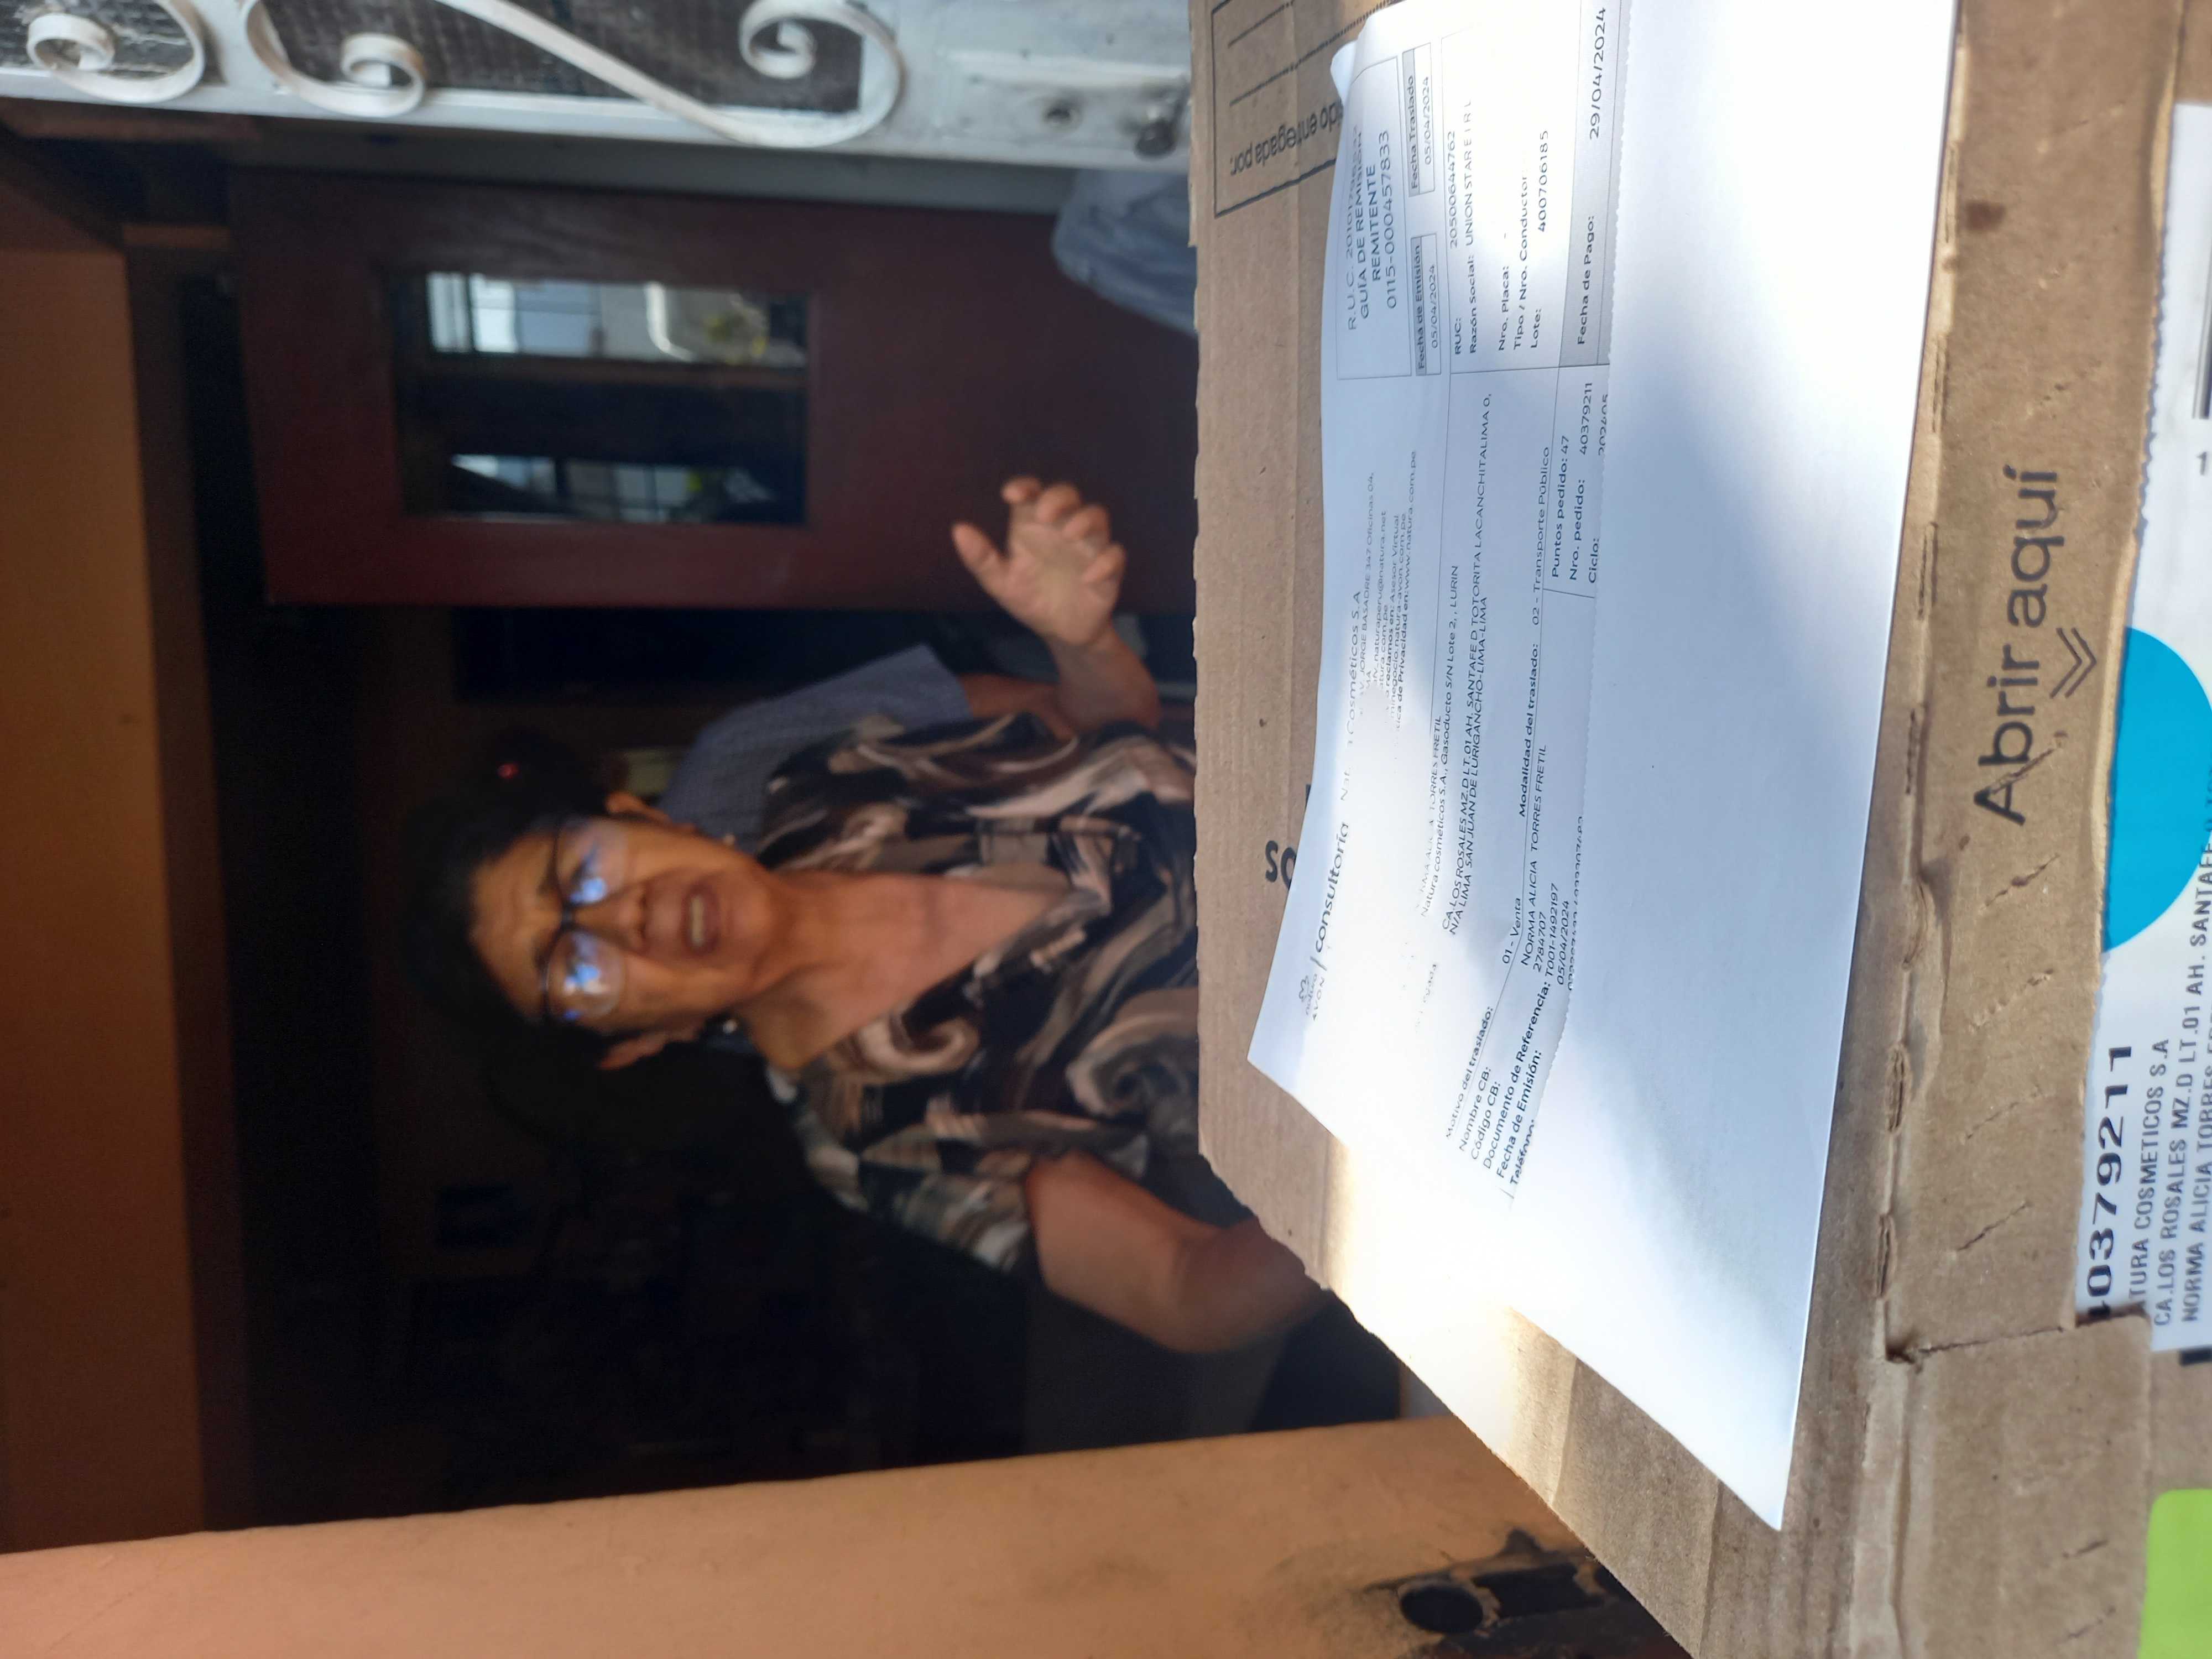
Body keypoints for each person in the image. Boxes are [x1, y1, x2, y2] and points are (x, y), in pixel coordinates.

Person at [405, 478, 1319, 1355]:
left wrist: (1079, 641)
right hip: (1362, 1034)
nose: (620, 917)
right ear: (635, 1042)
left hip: (1341, 779)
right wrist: (1357, 1176)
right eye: (576, 968)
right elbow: (1185, 1292)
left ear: (641, 816)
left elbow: (1112, 727)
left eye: (584, 870)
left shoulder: (831, 778)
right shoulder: (876, 1139)